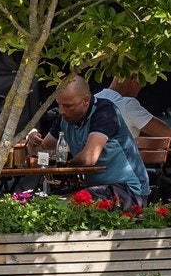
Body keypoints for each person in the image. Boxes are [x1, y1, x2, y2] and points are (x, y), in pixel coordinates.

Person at [26, 76, 150, 207]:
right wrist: (33, 143)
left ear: (85, 100)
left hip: (130, 191)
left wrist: (66, 162)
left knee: (63, 204)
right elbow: (42, 153)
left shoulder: (105, 111)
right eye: (59, 104)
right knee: (44, 203)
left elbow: (89, 158)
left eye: (68, 106)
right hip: (98, 188)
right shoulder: (65, 118)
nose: (61, 111)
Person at [96, 76, 171, 142]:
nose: (137, 93)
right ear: (134, 79)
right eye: (141, 85)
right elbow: (168, 135)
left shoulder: (95, 99)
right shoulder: (126, 104)